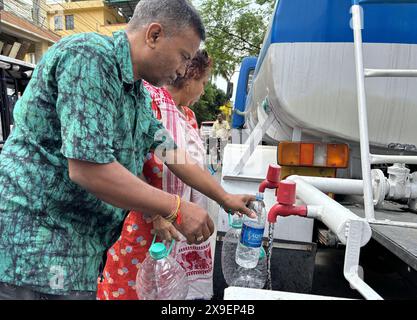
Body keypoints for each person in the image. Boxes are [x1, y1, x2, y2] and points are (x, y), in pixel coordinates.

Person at [0, 0, 254, 300]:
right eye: (184, 56)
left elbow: (171, 153)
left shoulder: (134, 94)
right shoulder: (89, 56)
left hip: (77, 249)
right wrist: (174, 208)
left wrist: (225, 199)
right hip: (34, 248)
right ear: (154, 35)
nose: (184, 69)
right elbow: (88, 169)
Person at [97, 50, 214, 300]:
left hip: (181, 225)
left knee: (172, 290)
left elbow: (185, 165)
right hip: (142, 220)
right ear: (190, 76)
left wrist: (224, 198)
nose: (203, 91)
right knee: (131, 288)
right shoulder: (148, 105)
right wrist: (157, 214)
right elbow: (125, 162)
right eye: (203, 83)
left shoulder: (189, 118)